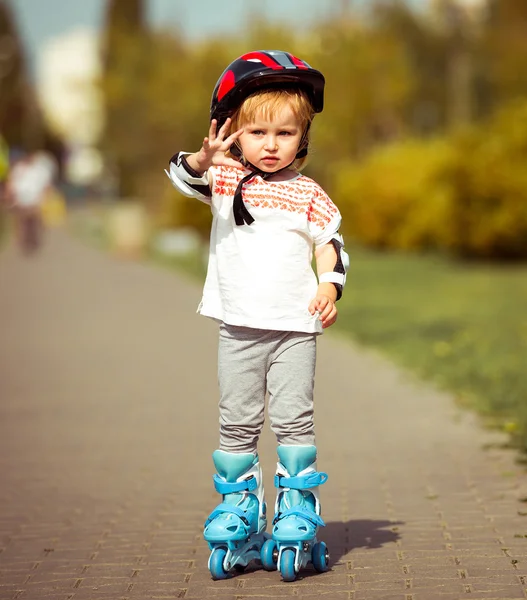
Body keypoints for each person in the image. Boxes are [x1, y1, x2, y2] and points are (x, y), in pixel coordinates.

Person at [165, 50, 349, 581]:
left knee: (294, 419)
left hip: (294, 329)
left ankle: (297, 507)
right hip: (239, 328)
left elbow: (329, 245)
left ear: (303, 138)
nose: (271, 145)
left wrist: (328, 287)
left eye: (285, 134)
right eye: (258, 133)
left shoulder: (309, 194)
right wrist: (204, 160)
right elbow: (183, 176)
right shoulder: (224, 181)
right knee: (237, 420)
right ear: (233, 133)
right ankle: (241, 510)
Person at [5, 150, 56, 254]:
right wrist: (11, 197)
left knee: (34, 221)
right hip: (21, 200)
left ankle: (33, 240)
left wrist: (45, 197)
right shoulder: (18, 169)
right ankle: (23, 242)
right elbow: (11, 184)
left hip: (35, 200)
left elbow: (46, 185)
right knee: (22, 222)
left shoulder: (39, 170)